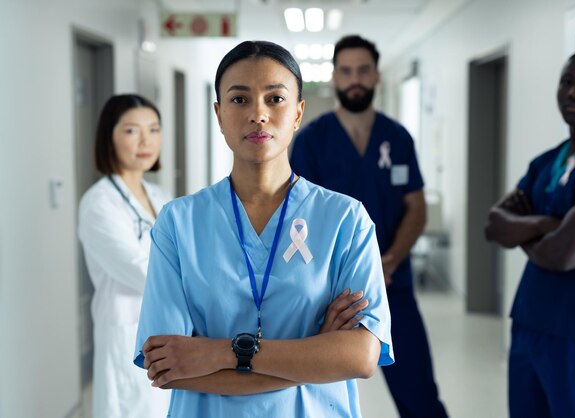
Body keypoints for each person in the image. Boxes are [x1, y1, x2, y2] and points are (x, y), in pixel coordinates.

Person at [133, 40, 394, 417]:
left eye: (275, 99)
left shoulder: (345, 220)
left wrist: (216, 352)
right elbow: (167, 367)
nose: (258, 113)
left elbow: (361, 356)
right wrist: (315, 352)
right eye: (240, 100)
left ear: (298, 113)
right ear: (219, 114)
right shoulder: (178, 223)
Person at [291, 35, 448, 418]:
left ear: (376, 75)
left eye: (363, 70)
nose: (354, 79)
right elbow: (301, 217)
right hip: (331, 295)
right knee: (318, 396)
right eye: (346, 71)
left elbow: (416, 208)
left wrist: (388, 261)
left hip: (394, 284)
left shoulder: (397, 138)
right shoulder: (312, 141)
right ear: (334, 77)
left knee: (420, 393)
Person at [485, 48, 575, 417]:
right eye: (567, 82)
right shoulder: (546, 162)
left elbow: (563, 256)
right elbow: (493, 225)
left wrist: (529, 233)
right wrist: (552, 227)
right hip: (529, 320)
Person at [78, 94, 171, 418]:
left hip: (167, 331)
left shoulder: (159, 196)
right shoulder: (99, 203)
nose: (146, 140)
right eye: (132, 131)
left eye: (154, 129)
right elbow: (141, 270)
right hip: (126, 333)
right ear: (109, 137)